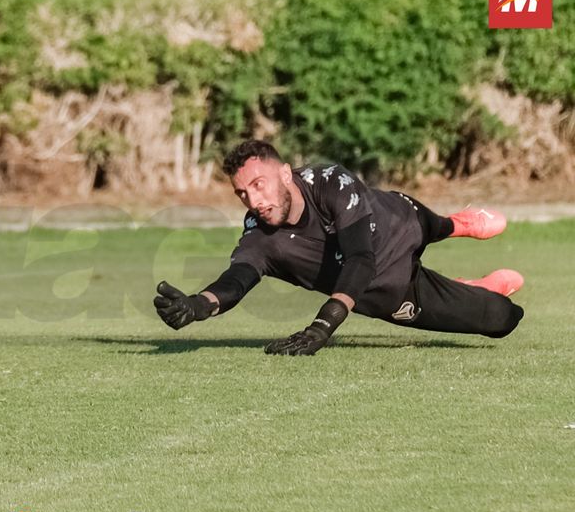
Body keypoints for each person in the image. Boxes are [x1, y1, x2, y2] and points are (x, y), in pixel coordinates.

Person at [153, 140, 524, 355]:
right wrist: (199, 305)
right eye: (243, 193)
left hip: (400, 224)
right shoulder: (260, 235)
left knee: (436, 225)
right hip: (388, 290)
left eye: (260, 184)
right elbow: (237, 279)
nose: (253, 199)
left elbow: (361, 257)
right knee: (501, 319)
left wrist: (323, 325)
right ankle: (475, 290)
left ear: (285, 173)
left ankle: (461, 223)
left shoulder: (330, 181)